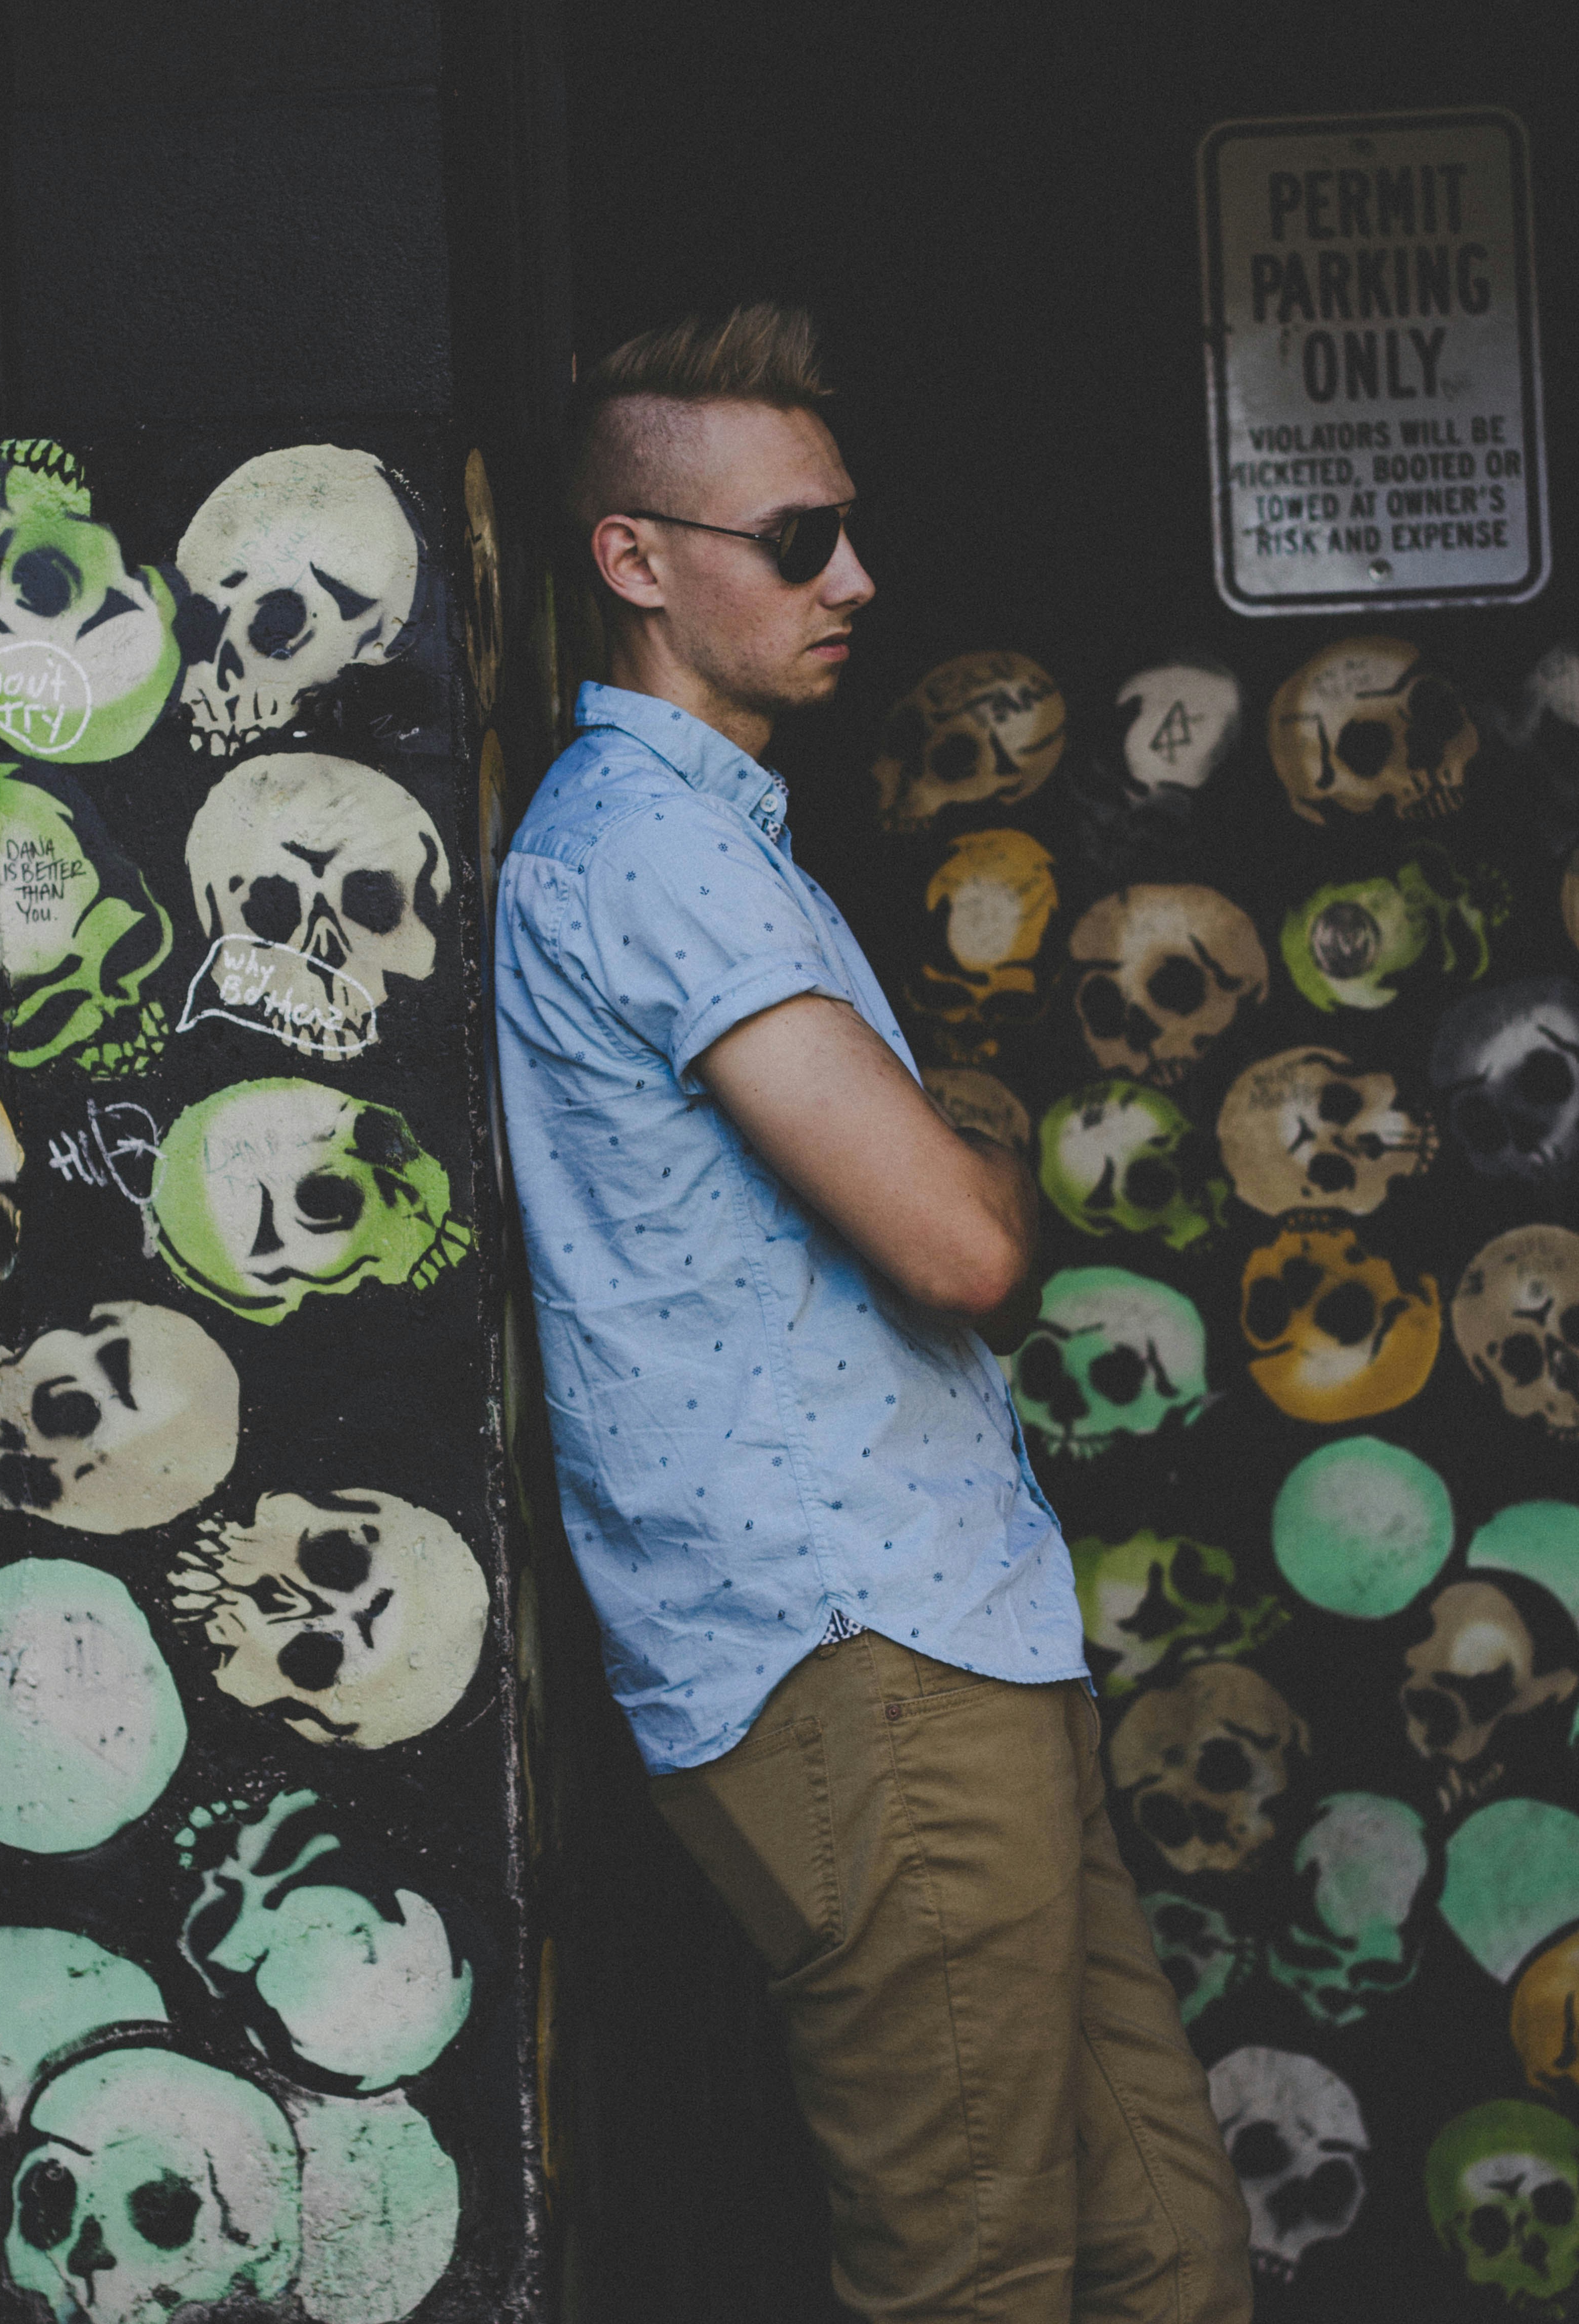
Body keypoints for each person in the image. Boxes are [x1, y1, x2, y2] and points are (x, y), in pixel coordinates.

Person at [495, 305, 1252, 2323]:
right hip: (862, 1656)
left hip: (948, 1625)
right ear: (636, 560)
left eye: (851, 531)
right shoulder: (653, 845)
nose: (859, 581)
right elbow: (963, 1248)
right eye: (800, 539)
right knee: (976, 2280)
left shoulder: (718, 838)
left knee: (1165, 2250)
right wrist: (977, 1148)